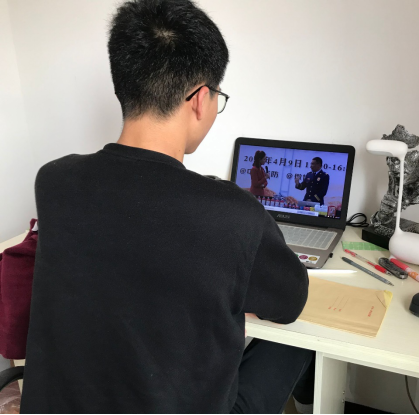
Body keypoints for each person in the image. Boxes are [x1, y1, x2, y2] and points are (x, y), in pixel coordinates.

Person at [20, 1, 314, 413]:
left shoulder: (53, 180)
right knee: (297, 345)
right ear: (200, 99)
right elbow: (290, 303)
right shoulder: (232, 214)